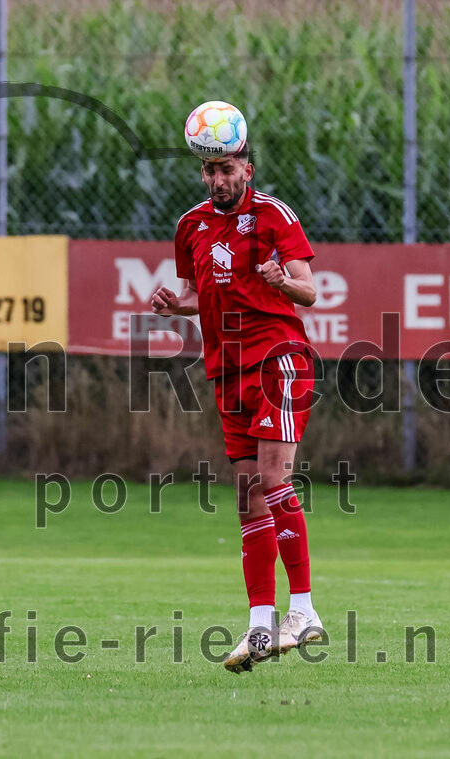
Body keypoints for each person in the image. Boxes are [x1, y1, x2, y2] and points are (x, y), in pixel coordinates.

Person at [150, 145, 324, 673]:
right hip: (227, 371)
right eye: (210, 169)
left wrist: (281, 281)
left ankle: (303, 611)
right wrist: (170, 304)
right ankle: (259, 625)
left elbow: (309, 292)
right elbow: (196, 294)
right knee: (249, 497)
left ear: (247, 170)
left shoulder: (274, 215)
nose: (217, 178)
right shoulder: (190, 226)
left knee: (274, 480)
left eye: (227, 169)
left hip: (277, 358)